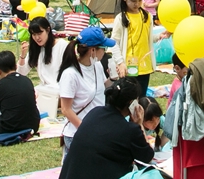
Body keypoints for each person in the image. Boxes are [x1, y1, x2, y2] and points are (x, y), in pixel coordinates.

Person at [58, 77, 154, 179]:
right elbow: (147, 157)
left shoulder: (95, 112)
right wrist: (139, 124)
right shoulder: (130, 130)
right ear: (132, 103)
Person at [58, 26, 112, 155]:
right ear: (93, 50)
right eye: (103, 48)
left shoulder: (97, 65)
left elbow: (101, 88)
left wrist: (113, 78)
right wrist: (85, 129)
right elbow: (65, 109)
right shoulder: (70, 74)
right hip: (78, 134)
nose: (105, 51)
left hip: (98, 130)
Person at [110, 0, 156, 96]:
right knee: (128, 101)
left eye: (140, 0)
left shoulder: (148, 17)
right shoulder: (120, 19)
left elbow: (148, 38)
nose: (137, 4)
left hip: (144, 67)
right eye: (133, 1)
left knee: (141, 99)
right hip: (127, 68)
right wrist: (120, 63)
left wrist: (161, 36)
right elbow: (113, 43)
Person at [19, 16, 69, 87]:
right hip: (43, 89)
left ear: (48, 30)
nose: (37, 38)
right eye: (34, 34)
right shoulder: (36, 48)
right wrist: (23, 56)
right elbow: (21, 73)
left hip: (60, 89)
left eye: (39, 33)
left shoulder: (62, 45)